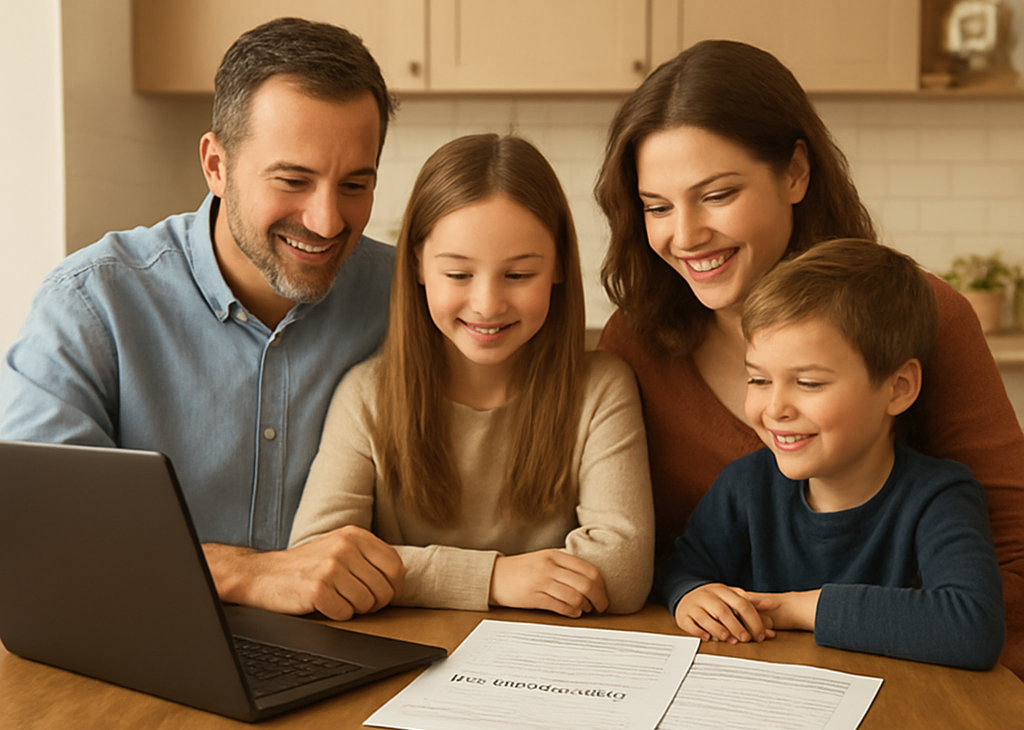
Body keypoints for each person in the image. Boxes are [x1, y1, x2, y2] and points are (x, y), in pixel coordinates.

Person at [595, 39, 1024, 676]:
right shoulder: (636, 341)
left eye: (717, 195)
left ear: (795, 172)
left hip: (917, 681)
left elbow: (1011, 559)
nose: (685, 236)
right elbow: (649, 558)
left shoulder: (926, 317)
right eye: (657, 207)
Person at [0, 17, 406, 620]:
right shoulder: (91, 303)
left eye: (354, 185)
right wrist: (244, 572)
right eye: (293, 180)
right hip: (141, 638)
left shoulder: (410, 300)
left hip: (357, 640)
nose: (326, 221)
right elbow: (35, 532)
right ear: (216, 165)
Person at [289, 134, 654, 616]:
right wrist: (496, 578)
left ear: (559, 267)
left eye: (518, 275)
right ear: (418, 265)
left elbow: (623, 575)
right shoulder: (366, 395)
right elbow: (315, 563)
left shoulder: (601, 388)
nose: (487, 305)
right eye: (459, 275)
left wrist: (407, 573)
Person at [665, 239, 1004, 670]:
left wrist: (795, 609)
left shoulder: (940, 497)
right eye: (759, 380)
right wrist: (689, 595)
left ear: (898, 388)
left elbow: (971, 628)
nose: (775, 409)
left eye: (809, 383)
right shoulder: (745, 485)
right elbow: (679, 568)